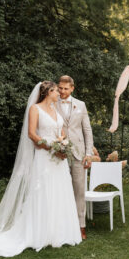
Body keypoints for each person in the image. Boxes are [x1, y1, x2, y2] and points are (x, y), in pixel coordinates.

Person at [0, 81, 82, 257]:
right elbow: (31, 134)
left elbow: (60, 132)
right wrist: (51, 147)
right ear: (47, 93)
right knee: (43, 193)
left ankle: (59, 233)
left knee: (59, 192)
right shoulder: (35, 109)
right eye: (55, 91)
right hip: (44, 157)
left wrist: (63, 145)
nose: (59, 93)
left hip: (58, 160)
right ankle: (38, 233)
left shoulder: (56, 109)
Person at [55, 76, 93, 240]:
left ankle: (80, 226)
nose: (62, 91)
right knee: (58, 190)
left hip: (78, 153)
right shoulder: (51, 102)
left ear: (72, 88)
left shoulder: (81, 105)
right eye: (60, 88)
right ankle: (60, 225)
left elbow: (87, 130)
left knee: (79, 191)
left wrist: (89, 153)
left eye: (65, 88)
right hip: (57, 153)